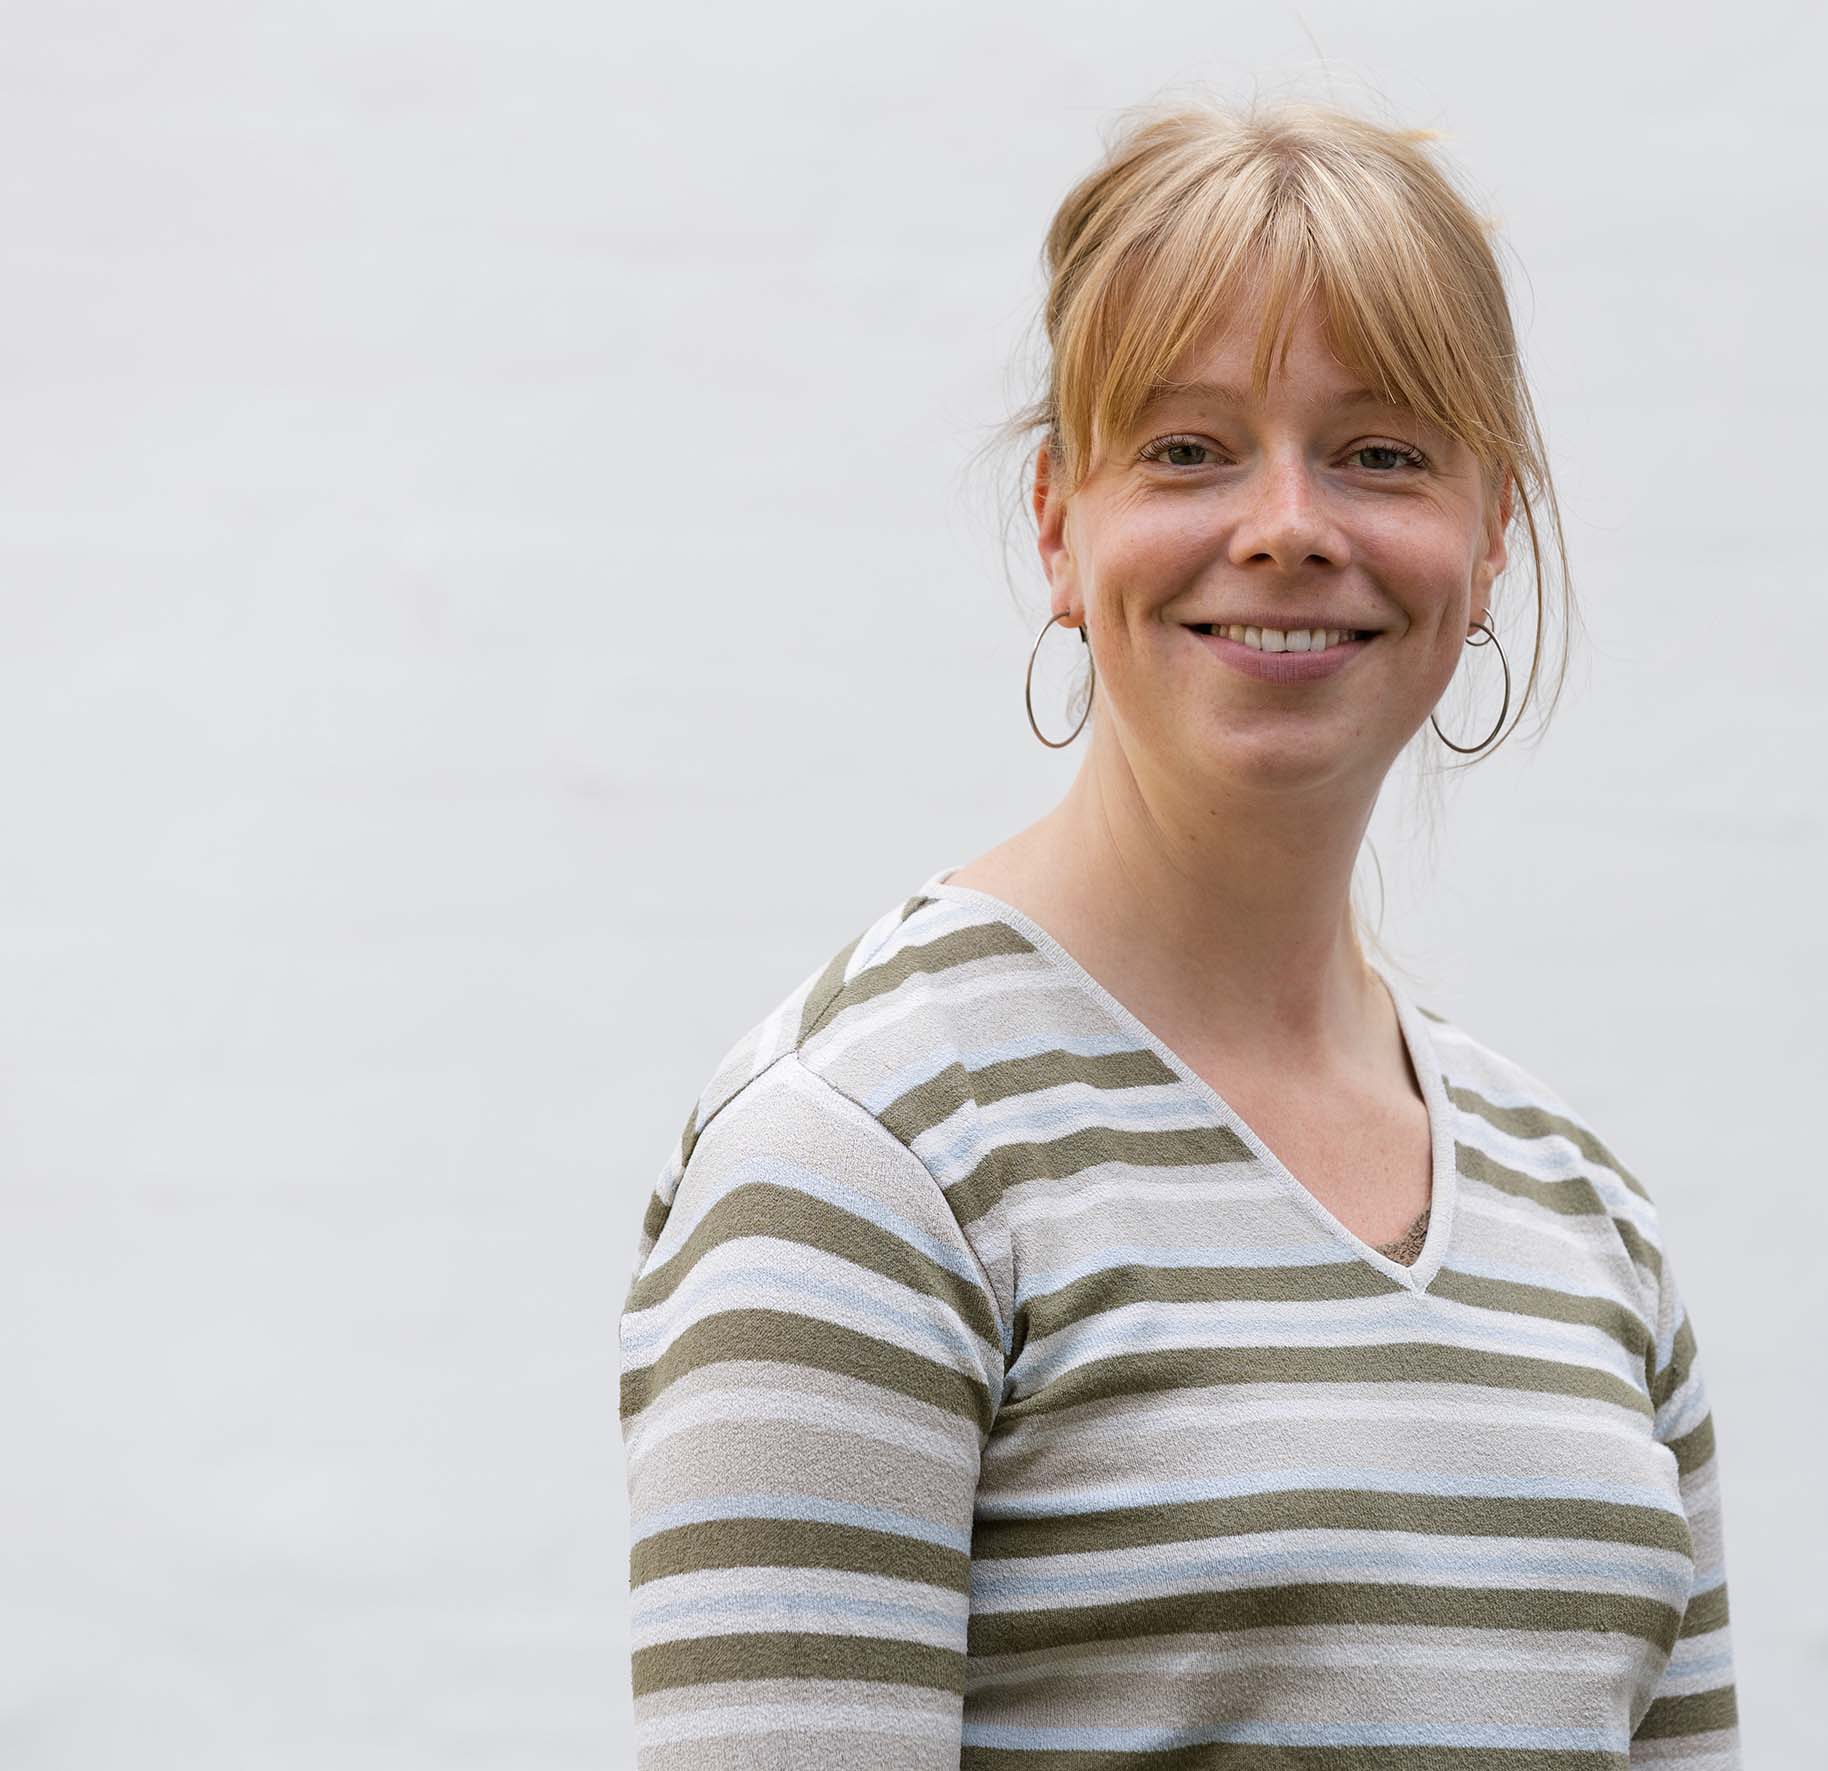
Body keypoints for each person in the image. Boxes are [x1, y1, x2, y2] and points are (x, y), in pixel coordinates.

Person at [616, 90, 1742, 1767]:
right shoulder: (871, 1159)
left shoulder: (1585, 1225)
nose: (1287, 525)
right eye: (1188, 449)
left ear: (1491, 529)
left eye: (1381, 453)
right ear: (1059, 525)